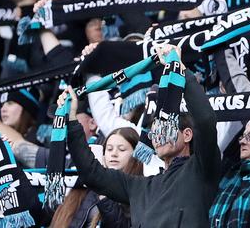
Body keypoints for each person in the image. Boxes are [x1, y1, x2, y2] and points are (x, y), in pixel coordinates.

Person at [60, 44, 221, 228]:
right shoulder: (137, 187)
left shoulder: (201, 168)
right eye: (153, 131)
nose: (157, 136)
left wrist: (181, 71)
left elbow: (205, 120)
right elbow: (91, 173)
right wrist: (72, 120)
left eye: (166, 128)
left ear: (187, 135)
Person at [50, 127, 143, 228]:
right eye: (109, 149)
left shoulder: (140, 191)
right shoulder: (88, 183)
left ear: (136, 154)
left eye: (121, 149)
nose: (114, 154)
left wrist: (104, 194)